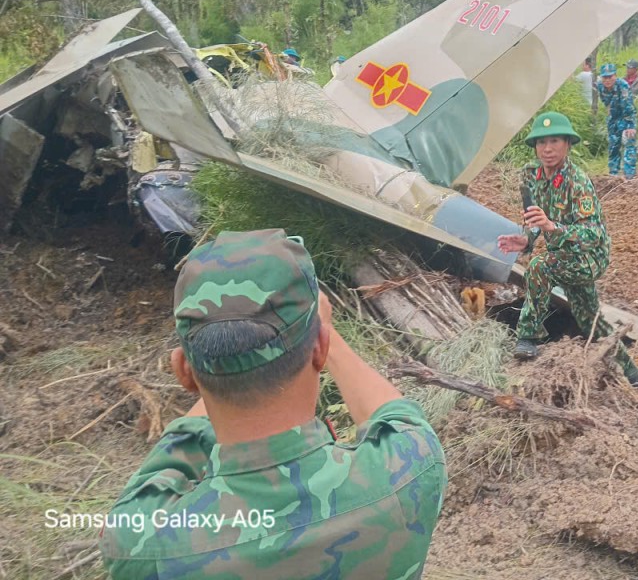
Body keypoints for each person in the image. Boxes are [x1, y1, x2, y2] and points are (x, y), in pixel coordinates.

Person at [101, 229, 446, 579]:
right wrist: (325, 333)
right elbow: (393, 413)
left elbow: (161, 474)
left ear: (183, 373)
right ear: (320, 348)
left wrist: (222, 365)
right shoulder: (408, 469)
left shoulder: (138, 545)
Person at [496, 112, 638, 386]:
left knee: (541, 266)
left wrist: (554, 228)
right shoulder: (530, 175)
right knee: (591, 320)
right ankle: (634, 374)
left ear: (567, 144)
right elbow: (533, 218)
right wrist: (527, 240)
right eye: (541, 142)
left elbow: (593, 234)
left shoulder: (577, 182)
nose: (548, 149)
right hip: (562, 254)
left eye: (554, 141)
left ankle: (528, 336)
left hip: (589, 256)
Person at [596, 63, 638, 178]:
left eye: (610, 77)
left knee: (629, 145)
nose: (608, 80)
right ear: (601, 77)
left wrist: (631, 125)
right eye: (605, 77)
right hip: (613, 120)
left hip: (626, 118)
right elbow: (606, 103)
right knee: (613, 147)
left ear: (615, 76)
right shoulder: (600, 86)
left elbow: (629, 107)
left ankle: (630, 176)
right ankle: (613, 175)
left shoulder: (623, 86)